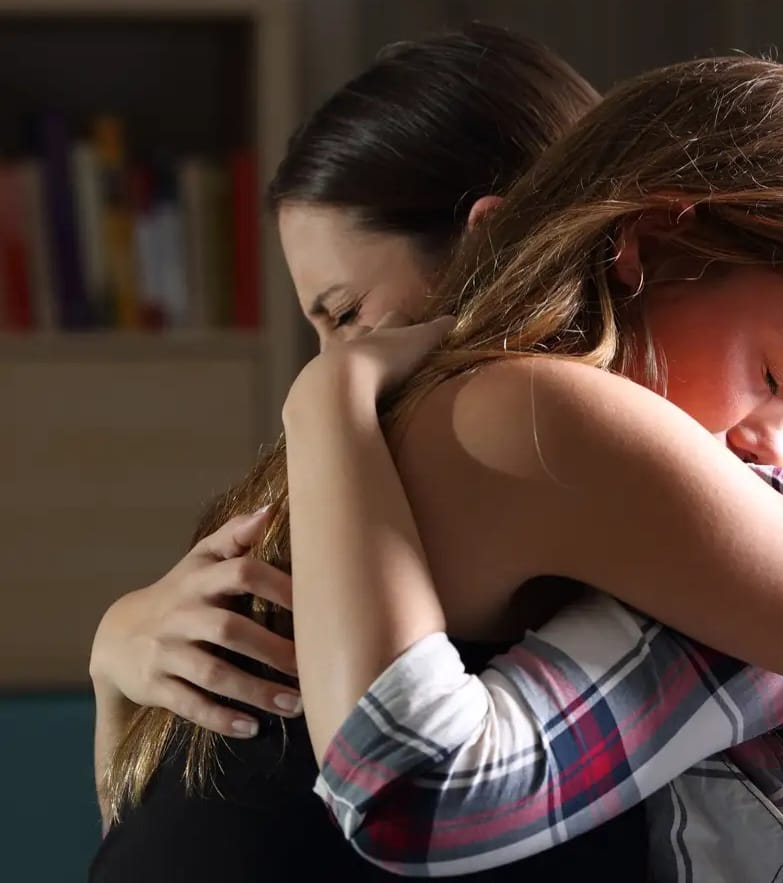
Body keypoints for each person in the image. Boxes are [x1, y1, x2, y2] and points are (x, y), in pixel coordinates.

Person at [281, 56, 783, 882]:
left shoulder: (759, 501)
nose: (771, 443)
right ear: (649, 242)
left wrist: (324, 399)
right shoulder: (534, 418)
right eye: (773, 379)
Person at [88, 25, 654, 883]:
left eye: (346, 313)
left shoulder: (501, 434)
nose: (334, 358)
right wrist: (114, 662)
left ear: (487, 246)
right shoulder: (370, 464)